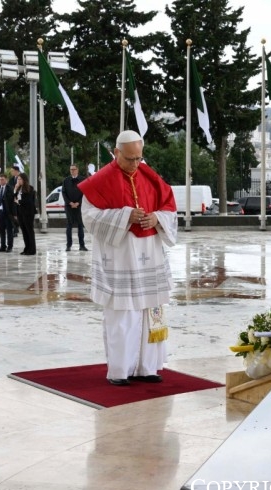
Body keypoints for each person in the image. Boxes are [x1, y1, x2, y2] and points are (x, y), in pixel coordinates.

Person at [79, 130, 177, 386]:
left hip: (150, 254)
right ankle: (120, 370)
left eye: (138, 158)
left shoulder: (149, 175)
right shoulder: (100, 180)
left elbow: (169, 207)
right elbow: (89, 217)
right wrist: (125, 216)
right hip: (120, 255)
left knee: (151, 310)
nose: (135, 164)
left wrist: (156, 218)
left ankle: (148, 367)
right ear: (116, 152)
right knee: (123, 314)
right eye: (130, 159)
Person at [62, 164, 87, 251]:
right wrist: (69, 202)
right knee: (69, 225)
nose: (72, 171)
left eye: (74, 169)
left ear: (77, 170)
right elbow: (64, 193)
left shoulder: (83, 180)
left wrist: (78, 203)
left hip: (79, 206)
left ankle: (82, 245)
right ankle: (68, 245)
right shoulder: (66, 180)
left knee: (80, 225)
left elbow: (85, 193)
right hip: (69, 206)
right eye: (71, 169)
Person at [14, 174, 36, 255]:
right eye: (18, 179)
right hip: (20, 212)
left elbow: (28, 201)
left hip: (28, 212)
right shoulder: (19, 188)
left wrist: (19, 201)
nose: (18, 181)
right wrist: (15, 189)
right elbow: (14, 198)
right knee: (24, 231)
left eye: (20, 179)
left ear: (24, 180)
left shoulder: (30, 188)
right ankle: (26, 248)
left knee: (29, 230)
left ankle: (32, 249)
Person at [0, 173, 16, 252]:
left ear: (6, 180)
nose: (1, 181)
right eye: (0, 180)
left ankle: (10, 246)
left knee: (9, 230)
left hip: (7, 211)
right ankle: (2, 246)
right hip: (0, 211)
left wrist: (13, 213)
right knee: (1, 230)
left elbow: (11, 200)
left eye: (2, 179)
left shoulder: (10, 188)